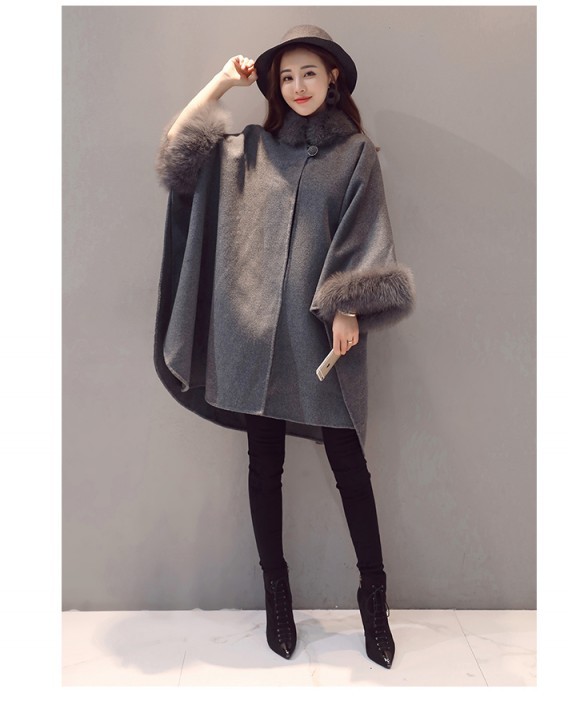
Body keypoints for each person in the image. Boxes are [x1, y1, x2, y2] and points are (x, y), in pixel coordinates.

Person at [154, 25, 416, 669]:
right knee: (262, 462)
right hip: (250, 336)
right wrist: (221, 82)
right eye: (287, 76)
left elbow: (365, 230)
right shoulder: (250, 150)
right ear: (274, 85)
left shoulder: (355, 155)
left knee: (349, 463)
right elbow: (179, 154)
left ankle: (374, 600)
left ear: (333, 80)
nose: (298, 86)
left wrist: (349, 305)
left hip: (320, 334)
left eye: (310, 73)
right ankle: (278, 597)